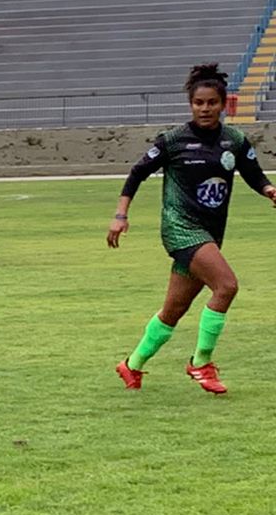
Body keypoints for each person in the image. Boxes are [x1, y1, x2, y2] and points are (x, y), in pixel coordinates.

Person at [110, 62, 276, 394]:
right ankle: (201, 363)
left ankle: (132, 364)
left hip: (211, 232)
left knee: (173, 310)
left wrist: (269, 190)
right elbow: (137, 173)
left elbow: (254, 174)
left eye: (212, 102)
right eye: (199, 103)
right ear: (191, 105)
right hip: (181, 228)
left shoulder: (234, 140)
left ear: (223, 104)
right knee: (226, 286)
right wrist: (120, 215)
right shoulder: (173, 140)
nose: (205, 108)